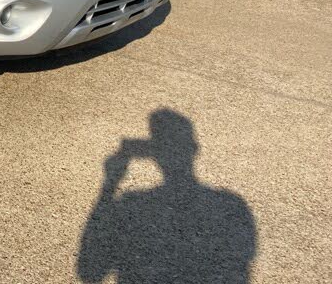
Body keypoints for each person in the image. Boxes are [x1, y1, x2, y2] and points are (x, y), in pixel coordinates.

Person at [78, 109, 256, 284]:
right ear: (194, 149)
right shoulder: (232, 205)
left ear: (153, 154)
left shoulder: (132, 204)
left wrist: (110, 183)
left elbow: (90, 273)